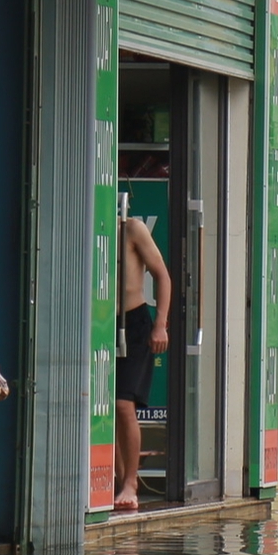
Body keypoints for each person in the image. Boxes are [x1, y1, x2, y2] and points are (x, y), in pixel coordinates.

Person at [113, 215, 172, 511]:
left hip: (134, 321)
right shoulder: (83, 226)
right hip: (98, 322)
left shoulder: (130, 228)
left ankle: (130, 482)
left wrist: (160, 324)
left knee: (124, 403)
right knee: (103, 406)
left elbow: (162, 274)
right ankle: (117, 478)